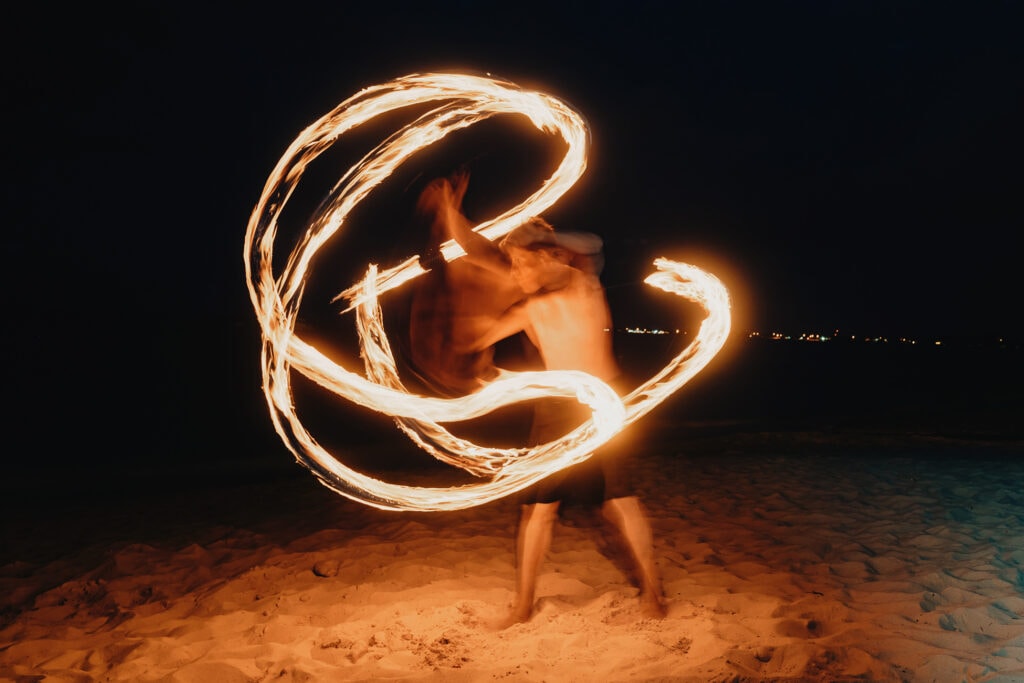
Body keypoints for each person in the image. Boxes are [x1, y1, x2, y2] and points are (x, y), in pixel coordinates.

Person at [426, 172, 667, 625]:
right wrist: (449, 214)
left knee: (619, 501)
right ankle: (522, 606)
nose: (513, 272)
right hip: (555, 409)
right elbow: (480, 270)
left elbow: (589, 240)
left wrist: (539, 236)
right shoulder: (529, 305)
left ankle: (654, 594)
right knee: (538, 509)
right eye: (512, 265)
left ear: (547, 257)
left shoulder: (582, 280)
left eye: (520, 263)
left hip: (603, 403)